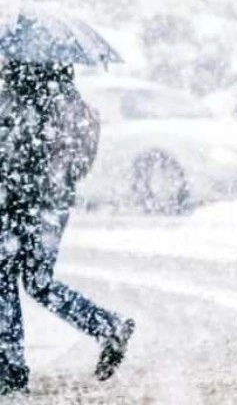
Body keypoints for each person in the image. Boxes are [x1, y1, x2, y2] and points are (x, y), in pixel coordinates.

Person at [0, 62, 134, 395]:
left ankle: (11, 369)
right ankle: (107, 326)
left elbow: (10, 156)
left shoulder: (19, 100)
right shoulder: (74, 103)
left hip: (16, 202)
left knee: (4, 278)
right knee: (38, 281)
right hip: (52, 206)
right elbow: (80, 162)